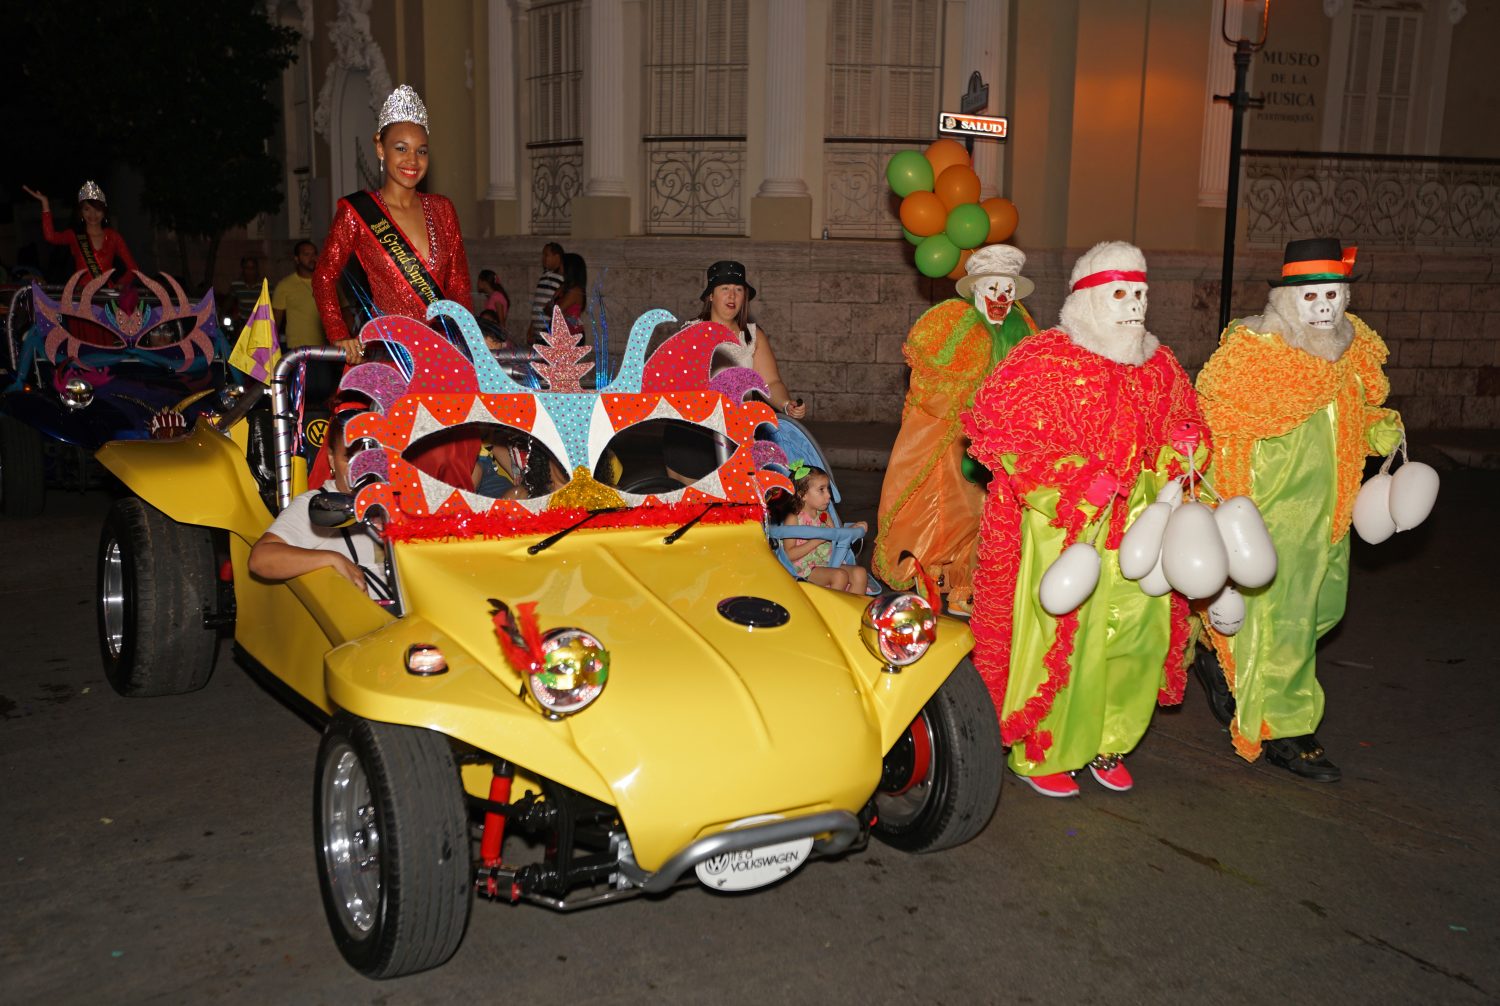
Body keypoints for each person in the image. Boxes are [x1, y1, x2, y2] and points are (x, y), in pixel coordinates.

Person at [962, 241, 1208, 798]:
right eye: (1120, 293)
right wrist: (1077, 480)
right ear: (1089, 299)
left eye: (1141, 294)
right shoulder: (1042, 360)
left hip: (1145, 526)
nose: (1134, 306)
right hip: (1069, 530)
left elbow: (1186, 420)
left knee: (1137, 641)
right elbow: (1004, 437)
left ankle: (1109, 740)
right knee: (1067, 640)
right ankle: (1048, 747)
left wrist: (1186, 447)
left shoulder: (1160, 363)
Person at [1193, 238, 1403, 783]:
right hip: (1274, 515)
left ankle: (1220, 660)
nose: (1325, 308)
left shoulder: (1349, 350)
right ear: (1289, 300)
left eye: (1333, 294)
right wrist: (1230, 511)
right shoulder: (1257, 353)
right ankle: (1285, 729)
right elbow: (1219, 427)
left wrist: (1384, 430)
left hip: (1332, 511)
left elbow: (1357, 412)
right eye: (1312, 296)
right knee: (1285, 623)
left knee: (1323, 611)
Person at [311, 83, 478, 491]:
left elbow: (457, 286)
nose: (412, 160)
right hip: (388, 358)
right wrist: (338, 335)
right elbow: (324, 277)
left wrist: (469, 339)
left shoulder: (442, 209)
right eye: (401, 148)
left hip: (441, 359)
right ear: (380, 149)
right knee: (392, 461)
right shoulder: (358, 212)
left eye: (421, 150)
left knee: (452, 458)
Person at [872, 244, 1037, 615]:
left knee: (991, 512)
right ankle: (932, 574)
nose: (1001, 297)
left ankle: (968, 584)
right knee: (952, 509)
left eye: (1007, 289)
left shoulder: (1021, 326)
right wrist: (969, 409)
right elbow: (929, 384)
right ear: (977, 288)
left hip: (1002, 440)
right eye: (993, 287)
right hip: (952, 438)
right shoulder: (952, 322)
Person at [248, 407, 392, 602]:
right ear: (332, 460)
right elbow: (261, 559)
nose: (362, 467)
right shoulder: (320, 503)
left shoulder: (402, 502)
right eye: (350, 457)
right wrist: (331, 558)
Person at [696, 260, 805, 418]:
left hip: (739, 425)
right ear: (711, 295)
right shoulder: (692, 332)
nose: (732, 295)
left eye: (738, 289)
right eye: (725, 288)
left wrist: (786, 405)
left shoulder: (753, 336)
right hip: (697, 426)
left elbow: (771, 382)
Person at [768, 462, 869, 594]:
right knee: (839, 576)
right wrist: (817, 540)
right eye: (821, 490)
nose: (828, 495)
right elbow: (789, 555)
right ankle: (829, 613)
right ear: (802, 494)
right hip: (803, 568)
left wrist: (852, 529)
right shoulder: (794, 518)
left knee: (860, 573)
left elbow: (836, 536)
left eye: (828, 489)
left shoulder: (825, 515)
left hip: (827, 562)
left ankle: (852, 612)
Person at [22, 181, 139, 287]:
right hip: (82, 298)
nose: (92, 214)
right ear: (81, 212)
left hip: (106, 297)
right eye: (87, 209)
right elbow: (50, 237)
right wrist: (45, 204)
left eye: (97, 209)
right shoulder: (75, 235)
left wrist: (120, 285)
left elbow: (133, 269)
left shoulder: (114, 236)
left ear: (104, 212)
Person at [272, 240, 326, 349]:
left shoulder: (327, 283)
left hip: (326, 350)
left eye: (314, 254)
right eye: (307, 254)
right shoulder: (284, 285)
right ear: (296, 259)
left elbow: (345, 312)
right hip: (298, 351)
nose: (312, 258)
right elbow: (274, 322)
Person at [529, 242, 564, 339]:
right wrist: (531, 328)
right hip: (537, 333)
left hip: (550, 332)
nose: (543, 258)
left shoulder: (562, 278)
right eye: (543, 255)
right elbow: (538, 304)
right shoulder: (544, 276)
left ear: (557, 257)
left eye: (546, 255)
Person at [548, 252, 587, 334]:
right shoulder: (563, 286)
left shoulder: (575, 290)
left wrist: (554, 310)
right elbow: (548, 309)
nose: (559, 265)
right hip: (560, 333)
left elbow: (555, 311)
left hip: (572, 335)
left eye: (562, 263)